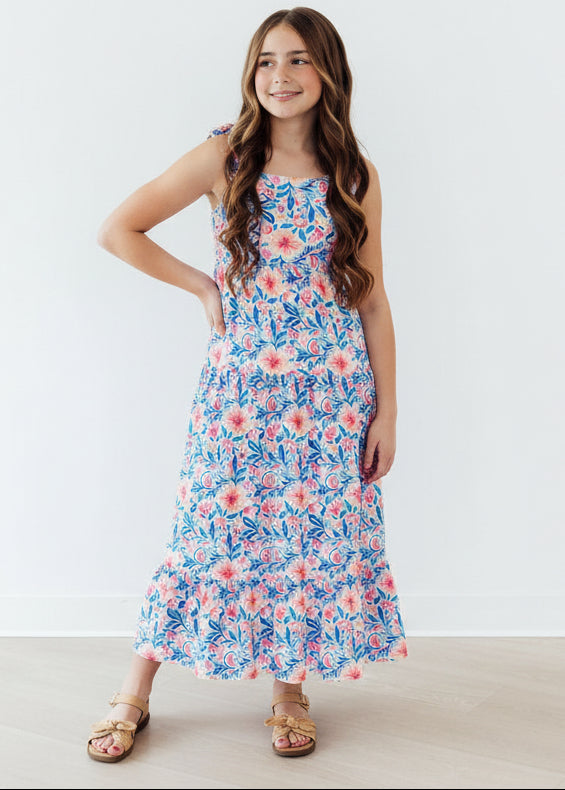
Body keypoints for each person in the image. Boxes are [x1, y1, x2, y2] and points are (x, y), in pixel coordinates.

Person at [87, 5, 408, 763]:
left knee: (305, 544)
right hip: (240, 393)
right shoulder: (223, 156)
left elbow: (371, 297)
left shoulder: (353, 175)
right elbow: (118, 229)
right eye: (266, 61)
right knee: (206, 535)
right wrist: (204, 288)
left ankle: (289, 692)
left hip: (332, 396)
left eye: (297, 60)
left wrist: (387, 411)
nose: (280, 76)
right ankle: (134, 691)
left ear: (327, 71)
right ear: (250, 73)